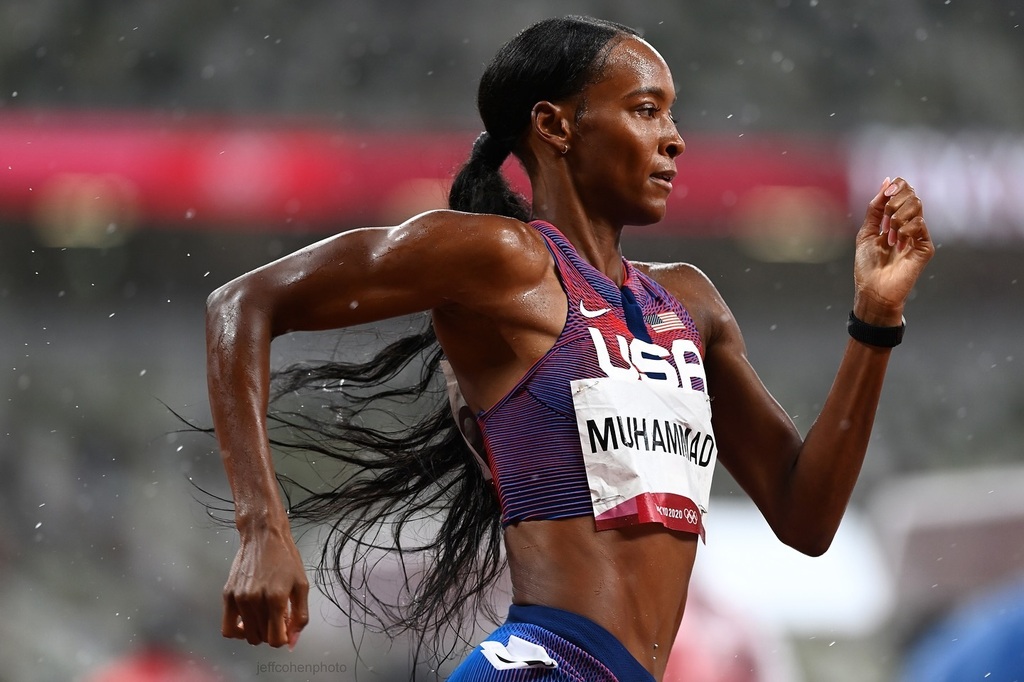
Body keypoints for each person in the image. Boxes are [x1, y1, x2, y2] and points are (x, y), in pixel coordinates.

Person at [204, 15, 933, 682]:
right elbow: (244, 303)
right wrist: (263, 527)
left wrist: (874, 318)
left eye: (671, 113)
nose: (674, 137)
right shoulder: (500, 260)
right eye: (646, 110)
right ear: (555, 127)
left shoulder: (690, 302)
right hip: (544, 665)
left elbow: (805, 517)